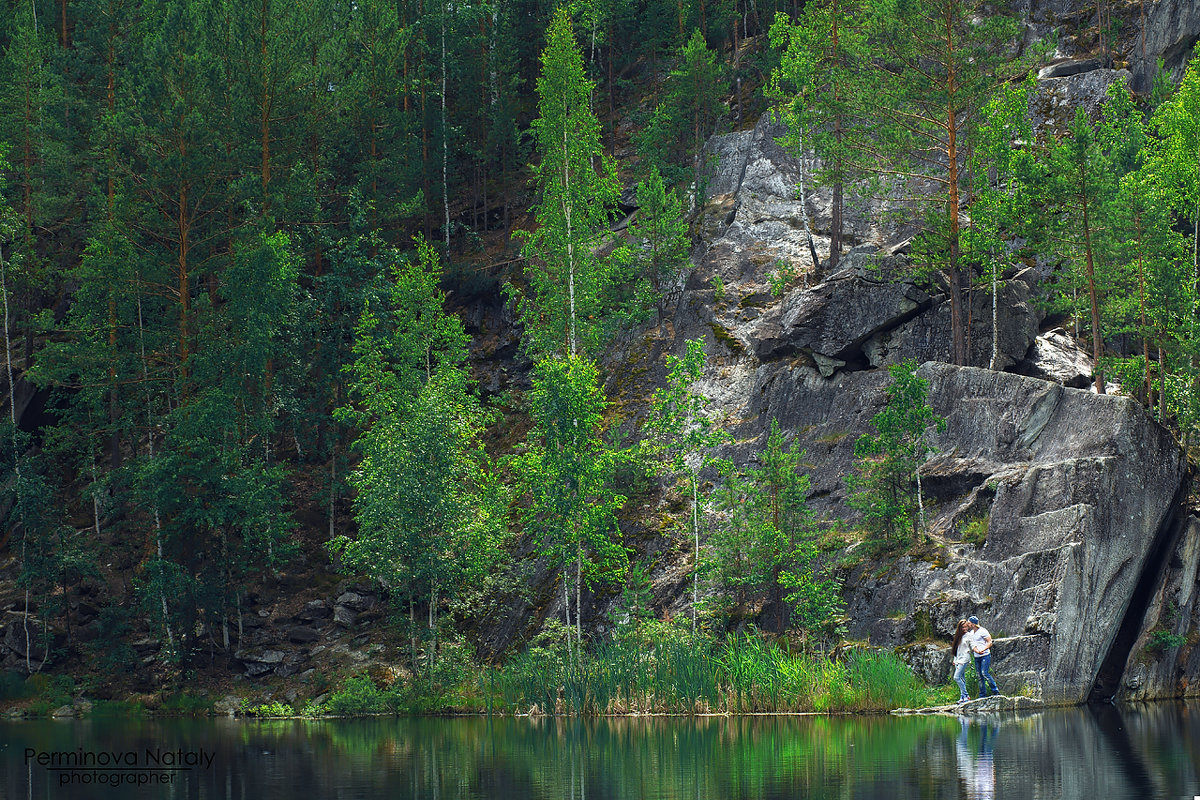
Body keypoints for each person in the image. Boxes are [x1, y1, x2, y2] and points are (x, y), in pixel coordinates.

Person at [967, 615, 1000, 698]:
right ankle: (982, 694)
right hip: (977, 656)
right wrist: (976, 650)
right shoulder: (971, 633)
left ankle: (995, 691)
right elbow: (972, 644)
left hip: (985, 655)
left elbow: (989, 642)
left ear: (973, 624)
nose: (968, 624)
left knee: (984, 673)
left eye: (969, 623)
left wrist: (984, 649)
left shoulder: (983, 631)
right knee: (979, 675)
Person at [951, 619, 972, 703]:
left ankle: (966, 695)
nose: (965, 628)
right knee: (962, 679)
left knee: (956, 677)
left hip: (964, 659)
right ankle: (962, 697)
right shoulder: (958, 636)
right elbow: (956, 649)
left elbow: (972, 645)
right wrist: (954, 659)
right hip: (958, 659)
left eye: (966, 627)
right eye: (963, 627)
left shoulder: (969, 635)